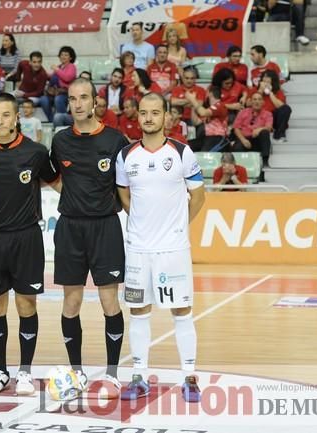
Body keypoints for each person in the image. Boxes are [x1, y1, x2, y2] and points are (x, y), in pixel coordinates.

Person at [115, 92, 205, 402]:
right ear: (137, 117)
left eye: (155, 112)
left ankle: (189, 376)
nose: (149, 118)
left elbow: (199, 197)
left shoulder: (182, 153)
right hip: (138, 250)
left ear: (166, 116)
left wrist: (178, 226)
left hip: (173, 250)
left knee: (182, 312)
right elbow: (124, 196)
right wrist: (141, 223)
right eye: (143, 113)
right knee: (138, 312)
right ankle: (139, 376)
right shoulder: (126, 156)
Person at [50, 77, 129, 397]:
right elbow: (53, 177)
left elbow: (125, 185)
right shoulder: (60, 140)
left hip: (105, 228)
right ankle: (76, 370)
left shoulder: (115, 140)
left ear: (95, 102)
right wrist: (72, 196)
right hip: (70, 228)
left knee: (110, 300)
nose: (78, 104)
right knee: (72, 301)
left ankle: (112, 373)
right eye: (72, 98)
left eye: (84, 98)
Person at [0, 92, 58, 396]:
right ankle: (0, 372)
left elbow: (59, 182)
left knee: (26, 305)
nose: (0, 121)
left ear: (16, 117)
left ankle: (24, 372)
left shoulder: (36, 152)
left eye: (5, 115)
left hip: (27, 238)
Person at [232, 92, 273, 166]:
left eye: (259, 99)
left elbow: (269, 127)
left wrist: (260, 129)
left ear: (263, 102)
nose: (257, 102)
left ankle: (265, 162)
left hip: (257, 140)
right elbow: (236, 128)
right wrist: (243, 140)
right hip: (244, 139)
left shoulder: (268, 114)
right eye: (255, 99)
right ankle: (239, 166)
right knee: (237, 147)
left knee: (265, 132)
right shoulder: (243, 112)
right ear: (250, 101)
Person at [185, 86, 229, 152]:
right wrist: (193, 106)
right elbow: (195, 122)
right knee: (186, 147)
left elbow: (203, 113)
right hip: (207, 138)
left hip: (218, 138)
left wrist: (192, 99)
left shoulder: (220, 105)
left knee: (204, 154)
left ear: (210, 93)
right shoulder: (210, 109)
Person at [41, 46, 77, 122]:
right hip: (54, 92)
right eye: (62, 54)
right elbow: (51, 77)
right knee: (43, 99)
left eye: (66, 55)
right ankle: (52, 120)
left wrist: (57, 70)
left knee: (58, 99)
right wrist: (42, 72)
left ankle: (63, 119)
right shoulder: (59, 67)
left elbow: (67, 78)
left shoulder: (71, 66)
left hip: (66, 93)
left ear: (70, 57)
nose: (63, 57)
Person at [257, 70, 291, 143]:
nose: (265, 81)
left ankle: (279, 134)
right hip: (260, 117)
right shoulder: (255, 90)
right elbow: (250, 104)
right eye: (264, 79)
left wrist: (270, 93)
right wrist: (260, 90)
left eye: (268, 79)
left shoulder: (278, 92)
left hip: (273, 118)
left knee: (286, 108)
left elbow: (281, 106)